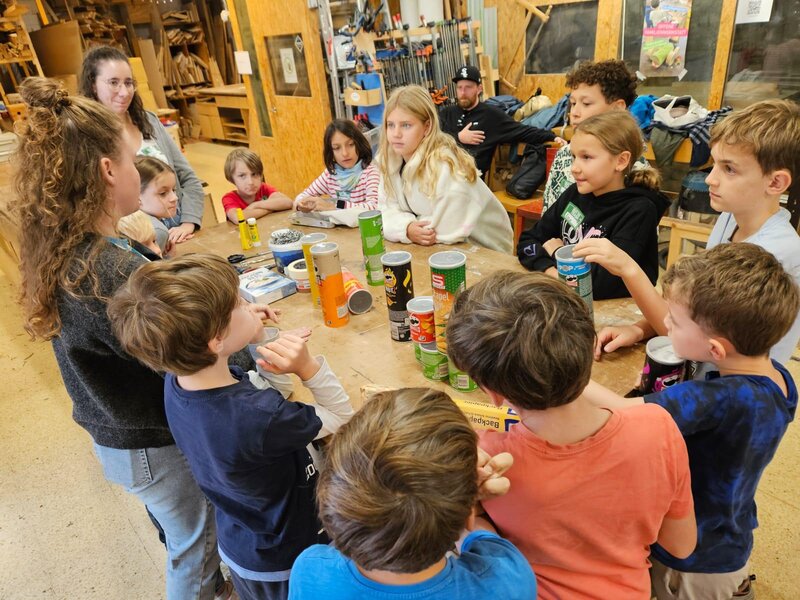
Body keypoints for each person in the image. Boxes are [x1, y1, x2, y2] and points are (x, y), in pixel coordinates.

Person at [14, 77, 234, 599]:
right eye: (133, 160)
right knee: (193, 546)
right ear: (107, 170)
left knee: (188, 537)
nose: (140, 168)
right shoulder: (106, 270)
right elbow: (179, 354)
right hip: (147, 444)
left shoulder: (79, 249)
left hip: (117, 434)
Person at [108, 253, 355, 600]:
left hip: (245, 544)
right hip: (289, 556)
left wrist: (258, 338)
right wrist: (307, 366)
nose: (250, 305)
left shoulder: (180, 380)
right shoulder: (258, 418)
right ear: (215, 341)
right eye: (239, 303)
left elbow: (264, 394)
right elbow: (341, 415)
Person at [446, 270, 696, 600]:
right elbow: (680, 545)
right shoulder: (658, 427)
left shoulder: (487, 458)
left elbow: (469, 540)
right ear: (589, 346)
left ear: (491, 393)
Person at [584, 243, 799, 600]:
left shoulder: (718, 399)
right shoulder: (778, 377)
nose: (664, 324)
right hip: (731, 529)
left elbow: (626, 413)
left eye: (675, 321)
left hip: (692, 559)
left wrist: (569, 378)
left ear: (715, 351)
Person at [578, 99, 800, 366]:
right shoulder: (732, 216)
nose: (710, 179)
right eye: (714, 165)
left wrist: (629, 269)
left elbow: (693, 340)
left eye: (729, 169)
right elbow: (691, 311)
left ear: (776, 182)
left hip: (731, 397)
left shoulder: (776, 254)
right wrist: (638, 329)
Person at [288, 387, 537, 600]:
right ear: (468, 517)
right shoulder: (506, 582)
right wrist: (469, 504)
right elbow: (483, 540)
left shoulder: (311, 570)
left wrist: (462, 498)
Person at [517, 111, 669, 299]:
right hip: (567, 298)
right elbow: (527, 242)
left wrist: (558, 252)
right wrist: (550, 271)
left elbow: (597, 285)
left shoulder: (639, 210)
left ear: (621, 161)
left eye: (586, 157)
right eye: (574, 156)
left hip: (620, 315)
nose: (574, 168)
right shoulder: (574, 193)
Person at [79, 45, 204, 246]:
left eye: (128, 83)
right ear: (93, 85)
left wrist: (189, 223)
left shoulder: (150, 122)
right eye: (113, 83)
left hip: (181, 231)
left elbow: (188, 178)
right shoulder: (87, 136)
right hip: (140, 241)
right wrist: (156, 237)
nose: (124, 92)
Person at [377, 85, 513, 253]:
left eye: (406, 125)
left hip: (487, 252)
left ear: (427, 127)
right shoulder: (390, 161)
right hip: (441, 250)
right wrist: (406, 228)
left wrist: (403, 226)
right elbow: (383, 211)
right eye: (390, 125)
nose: (396, 134)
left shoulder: (445, 164)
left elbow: (446, 230)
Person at [542, 59, 640, 213]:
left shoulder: (635, 169)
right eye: (573, 103)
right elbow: (548, 216)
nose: (574, 113)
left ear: (617, 108)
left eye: (586, 104)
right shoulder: (564, 155)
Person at [438, 65, 560, 176]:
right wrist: (458, 137)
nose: (463, 92)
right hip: (443, 173)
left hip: (470, 179)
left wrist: (552, 136)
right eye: (459, 87)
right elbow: (430, 140)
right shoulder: (446, 113)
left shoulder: (491, 116)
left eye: (468, 87)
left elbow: (522, 130)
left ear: (479, 89)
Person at [294, 118, 380, 213]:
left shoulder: (370, 173)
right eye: (336, 148)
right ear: (330, 152)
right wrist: (302, 205)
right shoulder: (330, 174)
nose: (345, 153)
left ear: (359, 144)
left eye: (351, 144)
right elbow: (300, 198)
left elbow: (374, 207)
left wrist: (334, 206)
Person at [222, 148, 293, 224]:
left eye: (254, 174)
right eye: (242, 175)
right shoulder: (229, 198)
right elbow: (238, 218)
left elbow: (288, 202)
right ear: (231, 179)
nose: (250, 182)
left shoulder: (263, 188)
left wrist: (255, 205)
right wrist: (271, 208)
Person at [133, 156, 179, 254]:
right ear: (137, 197)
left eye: (173, 190)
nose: (175, 198)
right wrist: (169, 259)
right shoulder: (156, 231)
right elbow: (154, 268)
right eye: (163, 193)